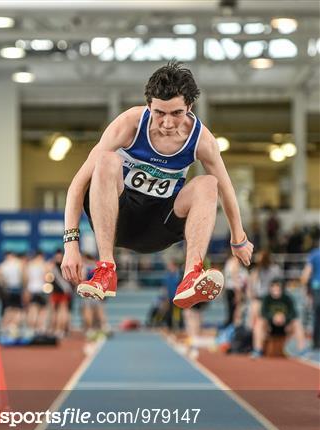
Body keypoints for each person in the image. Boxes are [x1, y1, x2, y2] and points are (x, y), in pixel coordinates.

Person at [61, 61, 253, 307]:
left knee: (209, 183)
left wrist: (239, 237)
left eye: (176, 113)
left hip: (160, 226)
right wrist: (71, 245)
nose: (167, 123)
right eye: (159, 113)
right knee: (106, 160)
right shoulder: (129, 123)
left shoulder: (201, 140)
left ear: (189, 107)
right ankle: (106, 269)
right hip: (117, 218)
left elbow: (226, 189)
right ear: (148, 105)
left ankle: (191, 274)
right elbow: (78, 184)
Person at [251, 279, 307, 358]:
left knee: (297, 323)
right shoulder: (266, 299)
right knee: (259, 322)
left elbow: (294, 313)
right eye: (273, 288)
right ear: (270, 289)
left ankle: (302, 351)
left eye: (278, 288)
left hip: (285, 327)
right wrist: (273, 318)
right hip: (270, 327)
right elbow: (263, 313)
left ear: (282, 289)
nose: (275, 290)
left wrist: (285, 319)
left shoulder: (287, 298)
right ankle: (257, 350)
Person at [301, 240, 320, 351]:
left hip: (317, 287)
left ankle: (316, 342)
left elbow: (306, 273)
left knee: (317, 315)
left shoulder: (314, 254)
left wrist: (304, 288)